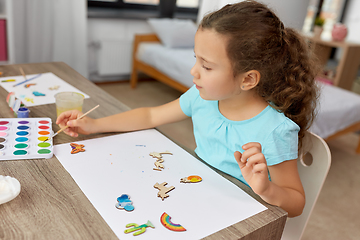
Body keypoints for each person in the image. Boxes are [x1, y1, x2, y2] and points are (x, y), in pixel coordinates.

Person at [56, 0, 319, 217]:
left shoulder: (274, 130)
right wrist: (93, 125)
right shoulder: (201, 98)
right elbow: (150, 115)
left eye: (206, 66)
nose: (193, 71)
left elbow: (296, 204)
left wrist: (267, 189)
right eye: (196, 59)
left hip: (239, 217)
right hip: (193, 196)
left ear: (248, 79)